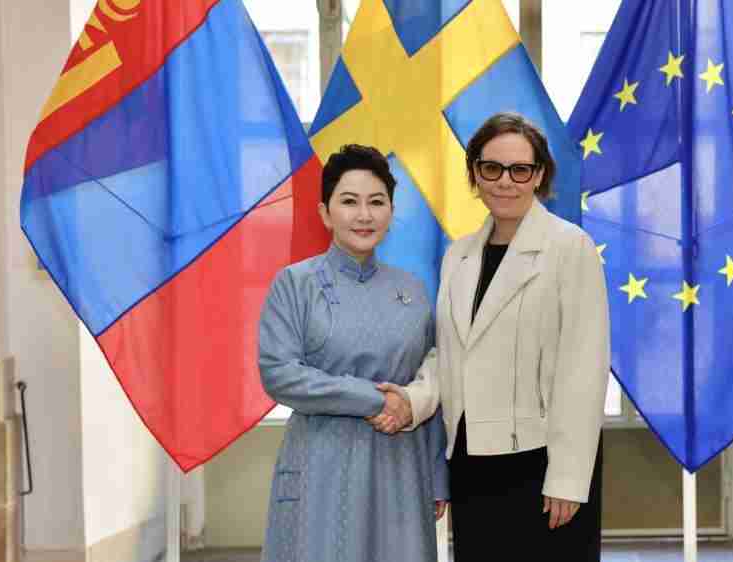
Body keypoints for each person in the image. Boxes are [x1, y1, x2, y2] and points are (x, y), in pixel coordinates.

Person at [376, 113, 610, 560]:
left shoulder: (570, 247)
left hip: (544, 462)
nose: (505, 181)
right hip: (472, 460)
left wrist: (567, 477)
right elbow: (448, 356)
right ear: (475, 173)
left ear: (539, 175)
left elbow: (584, 369)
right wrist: (410, 401)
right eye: (492, 168)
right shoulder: (459, 255)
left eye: (520, 169)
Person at [258, 144, 448, 562]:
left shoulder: (413, 290)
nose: (364, 215)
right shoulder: (294, 285)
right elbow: (279, 373)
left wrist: (437, 474)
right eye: (349, 202)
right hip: (320, 468)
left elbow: (431, 380)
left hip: (402, 469)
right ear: (325, 213)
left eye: (376, 202)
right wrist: (375, 400)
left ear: (391, 212)